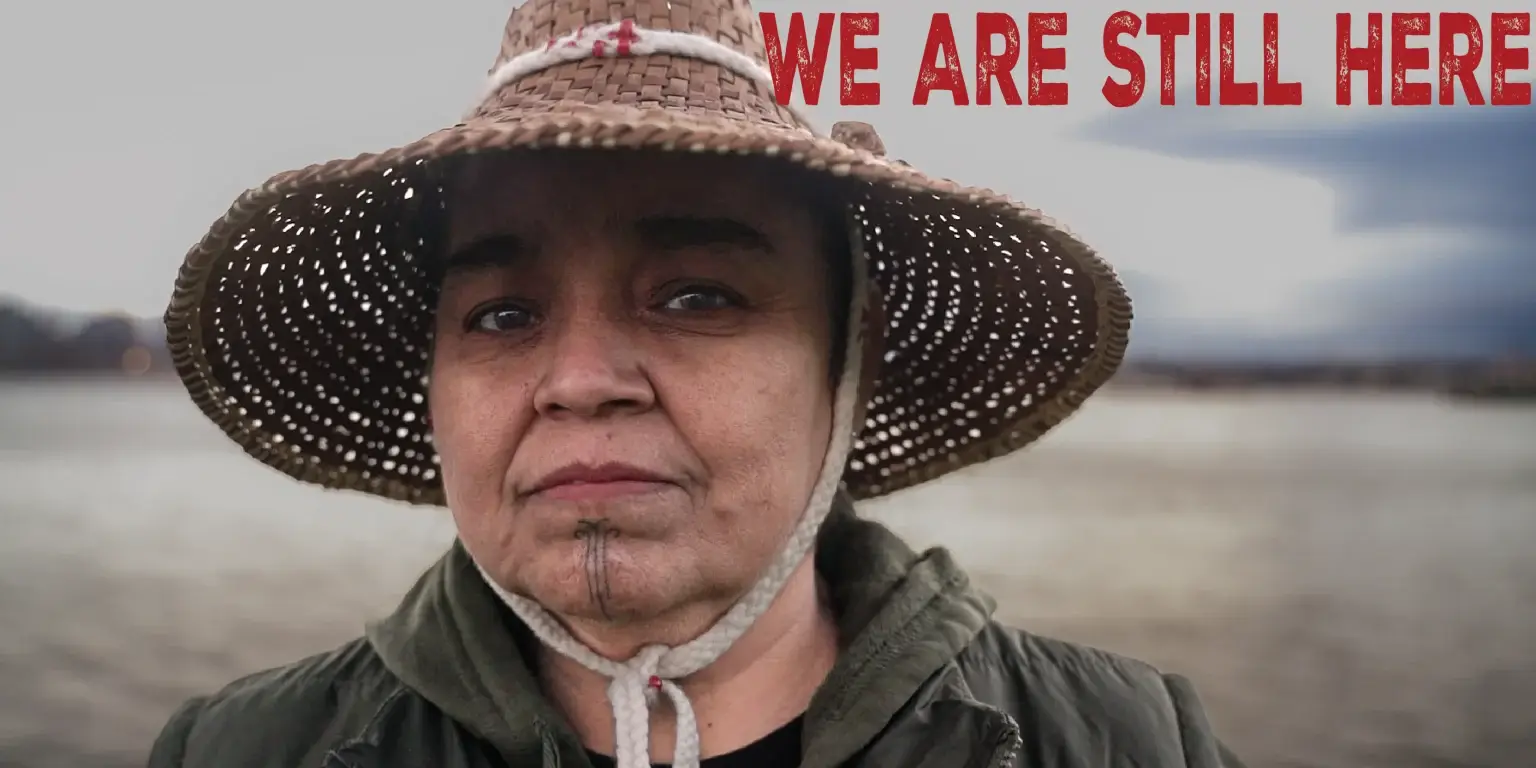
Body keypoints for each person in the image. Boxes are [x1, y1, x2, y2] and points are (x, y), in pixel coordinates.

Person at [148, 1, 1245, 766]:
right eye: (502, 315)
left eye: (696, 297)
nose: (578, 381)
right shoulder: (240, 752)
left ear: (847, 358)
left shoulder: (1129, 743)